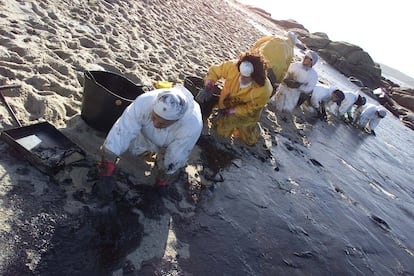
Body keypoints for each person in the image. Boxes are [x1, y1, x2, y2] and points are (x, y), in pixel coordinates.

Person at [99, 86, 202, 188]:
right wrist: (108, 160)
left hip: (170, 142)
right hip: (145, 134)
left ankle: (160, 159)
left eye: (162, 123)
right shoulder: (144, 102)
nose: (156, 124)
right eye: (154, 117)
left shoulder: (192, 126)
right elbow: (122, 130)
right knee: (133, 149)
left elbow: (177, 154)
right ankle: (146, 150)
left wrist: (163, 178)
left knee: (169, 164)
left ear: (176, 121)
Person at [196, 50, 272, 146]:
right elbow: (215, 71)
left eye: (246, 77)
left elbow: (251, 108)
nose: (242, 78)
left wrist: (230, 111)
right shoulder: (233, 66)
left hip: (244, 113)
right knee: (219, 128)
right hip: (226, 103)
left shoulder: (264, 90)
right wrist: (209, 85)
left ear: (255, 76)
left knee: (249, 140)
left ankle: (253, 128)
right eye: (241, 74)